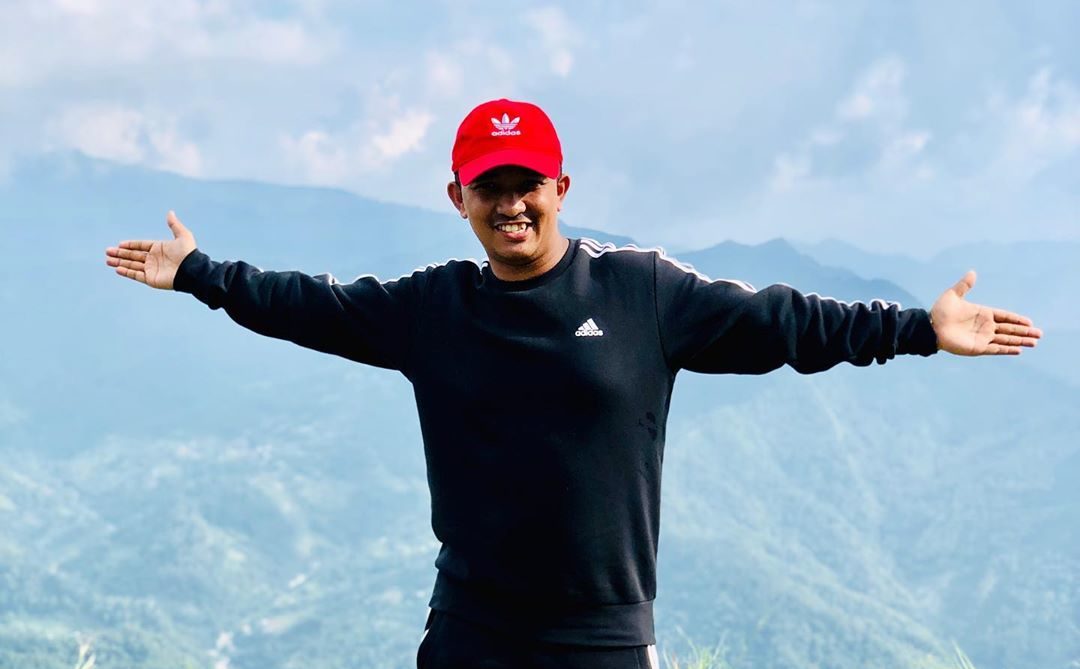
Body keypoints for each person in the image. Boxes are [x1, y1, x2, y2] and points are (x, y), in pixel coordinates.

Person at [104, 98, 1042, 669]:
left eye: (527, 182)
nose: (511, 202)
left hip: (601, 636)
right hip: (470, 627)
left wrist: (919, 329)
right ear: (457, 198)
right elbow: (309, 302)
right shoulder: (430, 307)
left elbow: (787, 322)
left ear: (561, 184)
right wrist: (200, 273)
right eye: (489, 184)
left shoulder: (642, 292)